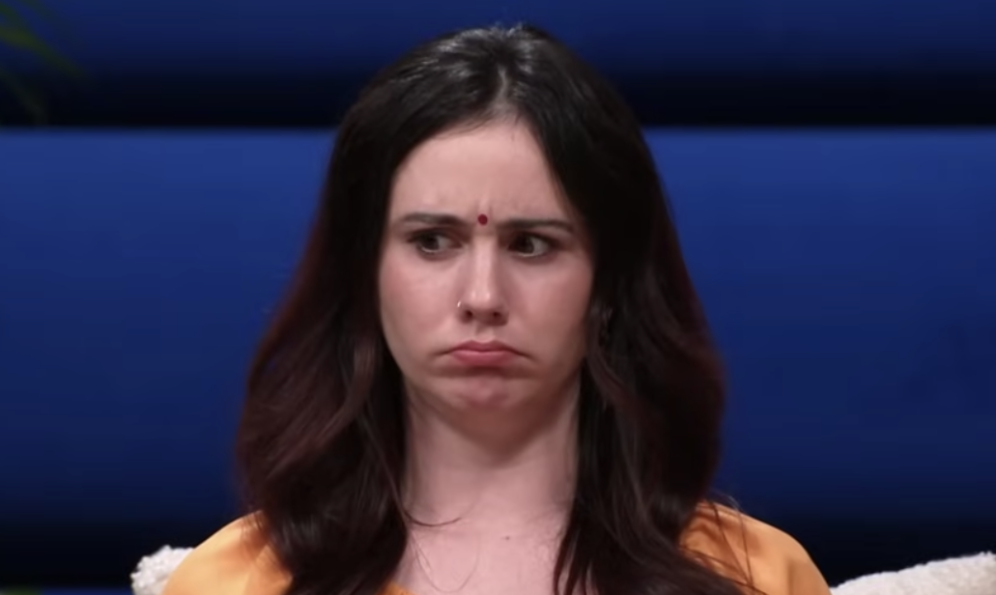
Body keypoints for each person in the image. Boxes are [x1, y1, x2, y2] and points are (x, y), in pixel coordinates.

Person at [162, 23, 831, 595]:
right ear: (364, 273)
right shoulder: (234, 582)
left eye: (531, 244)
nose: (482, 297)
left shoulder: (753, 576)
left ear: (609, 282)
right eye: (432, 241)